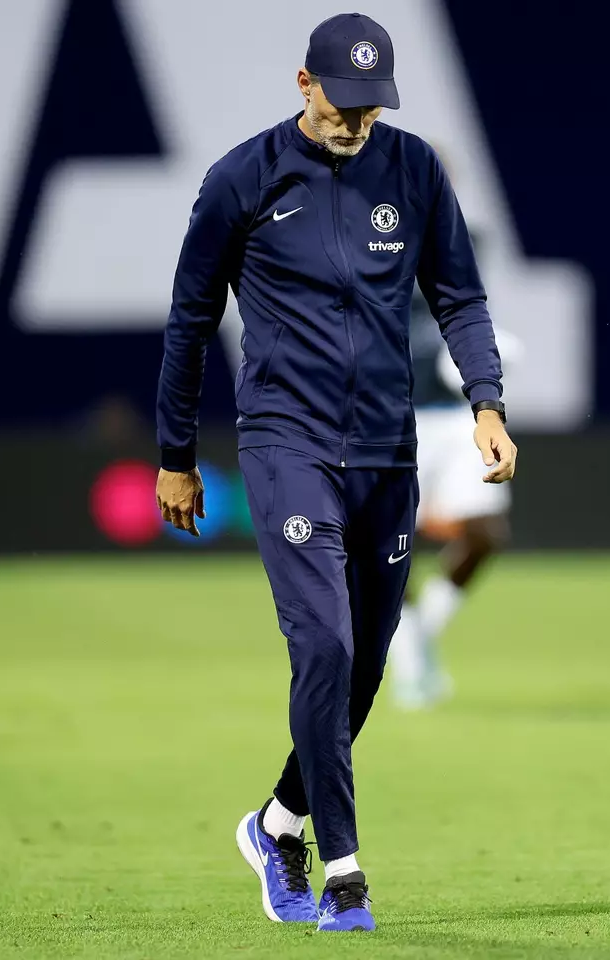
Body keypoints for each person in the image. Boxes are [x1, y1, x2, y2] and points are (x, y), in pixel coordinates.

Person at [153, 13, 516, 932]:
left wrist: (487, 403)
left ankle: (276, 823)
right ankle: (343, 875)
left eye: (373, 104)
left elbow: (460, 296)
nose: (358, 121)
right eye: (344, 102)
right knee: (323, 647)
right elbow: (191, 323)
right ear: (305, 83)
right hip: (287, 444)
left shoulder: (415, 169)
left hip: (387, 451)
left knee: (362, 672)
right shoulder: (243, 177)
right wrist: (176, 456)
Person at [387, 220, 523, 709]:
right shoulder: (356, 234)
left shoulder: (465, 240)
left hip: (454, 415)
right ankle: (410, 666)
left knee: (486, 532)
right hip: (389, 413)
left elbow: (464, 309)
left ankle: (416, 642)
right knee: (390, 544)